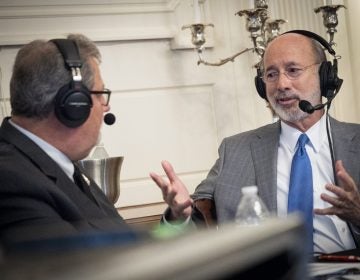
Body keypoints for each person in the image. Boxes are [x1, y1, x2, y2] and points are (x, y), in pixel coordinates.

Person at [150, 30, 360, 254]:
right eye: (271, 74)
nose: (281, 84)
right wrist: (177, 217)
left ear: (325, 75)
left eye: (293, 70)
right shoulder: (235, 149)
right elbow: (182, 233)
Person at [0, 34, 134, 248]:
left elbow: (123, 242)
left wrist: (172, 222)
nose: (105, 106)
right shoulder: (11, 181)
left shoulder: (59, 165)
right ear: (74, 104)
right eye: (99, 94)